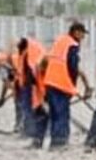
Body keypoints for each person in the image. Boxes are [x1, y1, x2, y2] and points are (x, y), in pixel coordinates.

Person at [32, 21, 89, 150]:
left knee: (54, 112)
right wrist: (72, 86)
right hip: (61, 82)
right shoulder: (72, 45)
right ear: (76, 32)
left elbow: (46, 60)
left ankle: (54, 142)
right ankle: (60, 142)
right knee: (62, 113)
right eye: (82, 34)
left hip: (50, 82)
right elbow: (72, 67)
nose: (83, 38)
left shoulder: (60, 41)